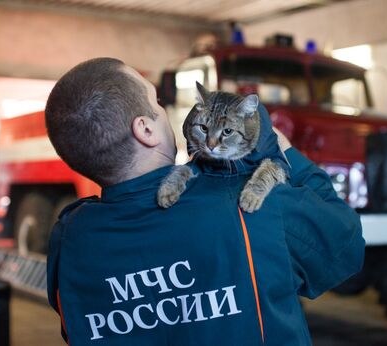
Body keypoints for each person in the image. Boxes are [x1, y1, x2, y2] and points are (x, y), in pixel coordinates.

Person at [45, 57, 364, 345]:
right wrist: (285, 151)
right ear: (145, 130)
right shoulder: (254, 208)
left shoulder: (68, 240)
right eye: (157, 103)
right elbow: (347, 245)